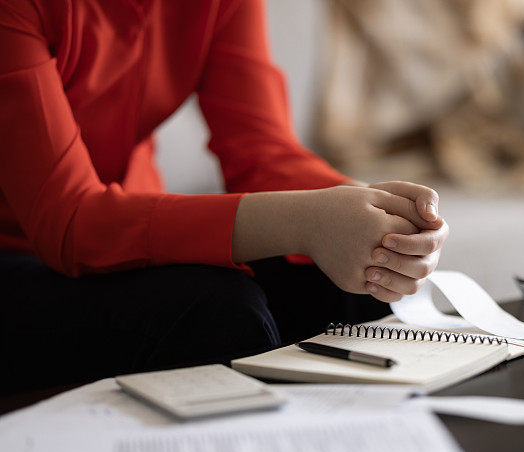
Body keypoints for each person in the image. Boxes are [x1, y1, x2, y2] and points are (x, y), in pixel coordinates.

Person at [0, 0, 449, 393]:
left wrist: (366, 209)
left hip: (124, 238)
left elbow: (260, 151)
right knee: (219, 313)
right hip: (20, 256)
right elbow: (72, 220)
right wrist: (306, 221)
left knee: (353, 287)